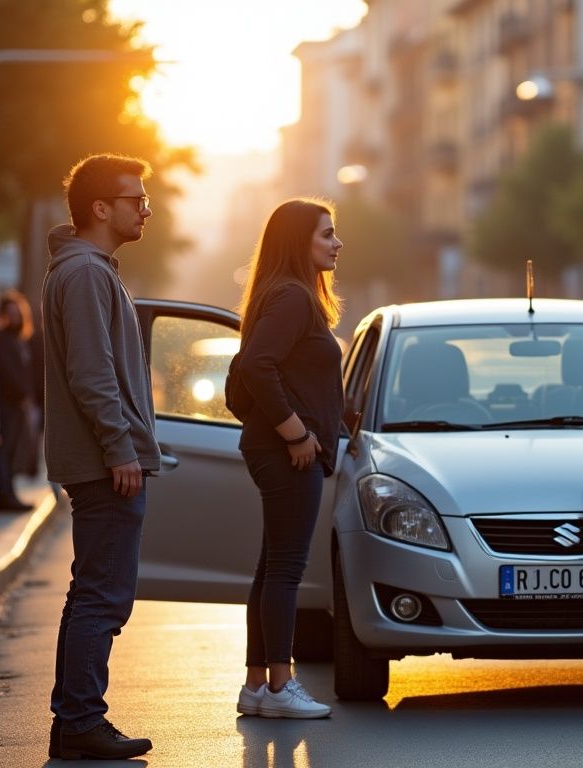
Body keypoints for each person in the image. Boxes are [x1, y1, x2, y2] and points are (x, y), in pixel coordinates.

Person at [43, 154, 159, 761]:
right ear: (100, 208)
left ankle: (75, 721)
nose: (145, 207)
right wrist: (121, 449)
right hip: (102, 462)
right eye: (134, 197)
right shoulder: (87, 273)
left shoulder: (86, 269)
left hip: (95, 459)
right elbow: (92, 376)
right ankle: (82, 721)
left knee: (90, 591)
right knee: (102, 597)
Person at [232, 198, 343, 720]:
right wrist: (298, 433)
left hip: (276, 448)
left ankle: (256, 685)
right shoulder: (294, 297)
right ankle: (281, 686)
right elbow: (257, 365)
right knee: (285, 571)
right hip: (286, 453)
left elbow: (287, 372)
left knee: (271, 568)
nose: (337, 243)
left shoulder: (287, 296)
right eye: (327, 234)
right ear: (300, 241)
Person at [0, 289, 35, 512]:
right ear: (2, 315)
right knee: (4, 451)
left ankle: (8, 493)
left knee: (13, 451)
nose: (14, 317)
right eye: (10, 313)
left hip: (17, 404)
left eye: (17, 313)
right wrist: (22, 395)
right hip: (4, 405)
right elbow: (6, 373)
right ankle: (3, 496)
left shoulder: (20, 340)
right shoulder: (0, 339)